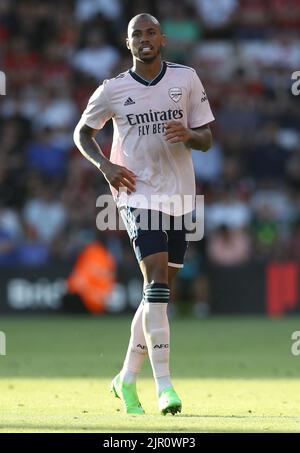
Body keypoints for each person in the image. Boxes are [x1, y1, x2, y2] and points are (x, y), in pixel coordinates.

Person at [74, 13, 214, 416]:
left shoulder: (186, 79)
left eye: (151, 32)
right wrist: (105, 166)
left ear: (163, 39)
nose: (144, 38)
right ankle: (165, 386)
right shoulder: (113, 90)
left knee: (159, 292)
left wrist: (189, 135)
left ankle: (125, 377)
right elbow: (82, 131)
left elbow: (207, 137)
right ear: (128, 43)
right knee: (155, 281)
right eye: (137, 33)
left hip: (181, 198)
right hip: (137, 195)